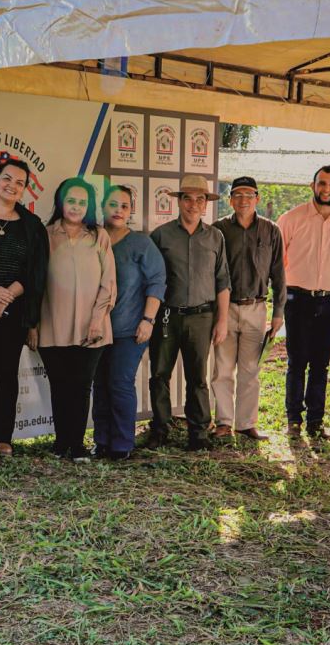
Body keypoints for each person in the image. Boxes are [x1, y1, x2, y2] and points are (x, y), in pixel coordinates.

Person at [0, 158, 49, 457]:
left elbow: (36, 270)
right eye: (7, 178)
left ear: (25, 188)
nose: (12, 185)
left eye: (19, 182)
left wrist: (7, 297)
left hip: (13, 310)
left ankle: (3, 436)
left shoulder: (31, 225)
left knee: (6, 375)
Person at [34, 177, 116, 462]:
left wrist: (97, 319)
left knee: (81, 387)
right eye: (71, 200)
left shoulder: (99, 236)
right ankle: (61, 443)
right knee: (59, 385)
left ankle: (78, 445)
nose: (76, 207)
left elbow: (109, 282)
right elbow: (35, 283)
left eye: (82, 202)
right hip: (52, 324)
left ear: (89, 206)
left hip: (91, 327)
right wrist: (32, 324)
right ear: (60, 201)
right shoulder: (45, 234)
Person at [148, 174, 230, 452]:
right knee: (159, 373)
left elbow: (223, 281)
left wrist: (222, 320)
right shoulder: (161, 235)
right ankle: (159, 429)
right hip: (167, 315)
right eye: (188, 198)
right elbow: (151, 279)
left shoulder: (215, 237)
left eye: (200, 199)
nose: (193, 204)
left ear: (206, 204)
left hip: (202, 317)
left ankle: (199, 433)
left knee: (198, 378)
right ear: (179, 201)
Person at [276, 165, 330, 441]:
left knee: (321, 364)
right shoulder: (290, 219)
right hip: (298, 298)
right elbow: (279, 261)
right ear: (313, 185)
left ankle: (315, 422)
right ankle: (293, 421)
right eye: (322, 183)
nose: (327, 189)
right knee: (296, 361)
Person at [92, 185, 166, 459]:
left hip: (128, 329)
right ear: (103, 207)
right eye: (113, 204)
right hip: (96, 329)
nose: (119, 210)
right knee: (99, 385)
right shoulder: (93, 238)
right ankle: (101, 441)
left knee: (119, 383)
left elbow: (157, 282)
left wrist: (148, 319)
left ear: (130, 210)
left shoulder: (141, 244)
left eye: (124, 205)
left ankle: (122, 445)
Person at [212, 176, 286, 442]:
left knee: (250, 370)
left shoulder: (270, 230)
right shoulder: (218, 229)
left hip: (257, 307)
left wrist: (278, 312)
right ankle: (223, 422)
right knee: (222, 369)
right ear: (230, 199)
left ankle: (246, 424)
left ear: (257, 198)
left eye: (248, 195)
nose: (243, 200)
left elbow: (279, 273)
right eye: (237, 195)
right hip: (225, 308)